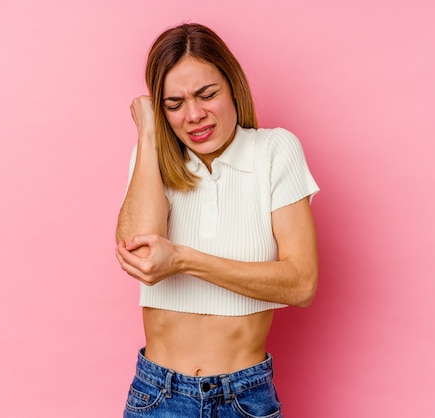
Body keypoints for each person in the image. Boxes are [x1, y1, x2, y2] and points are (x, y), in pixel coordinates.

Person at [116, 22, 319, 417]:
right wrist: (146, 136)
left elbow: (301, 283)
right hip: (157, 396)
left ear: (232, 85)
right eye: (173, 105)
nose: (194, 115)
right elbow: (141, 253)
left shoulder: (274, 151)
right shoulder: (152, 160)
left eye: (207, 94)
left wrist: (185, 261)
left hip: (243, 397)